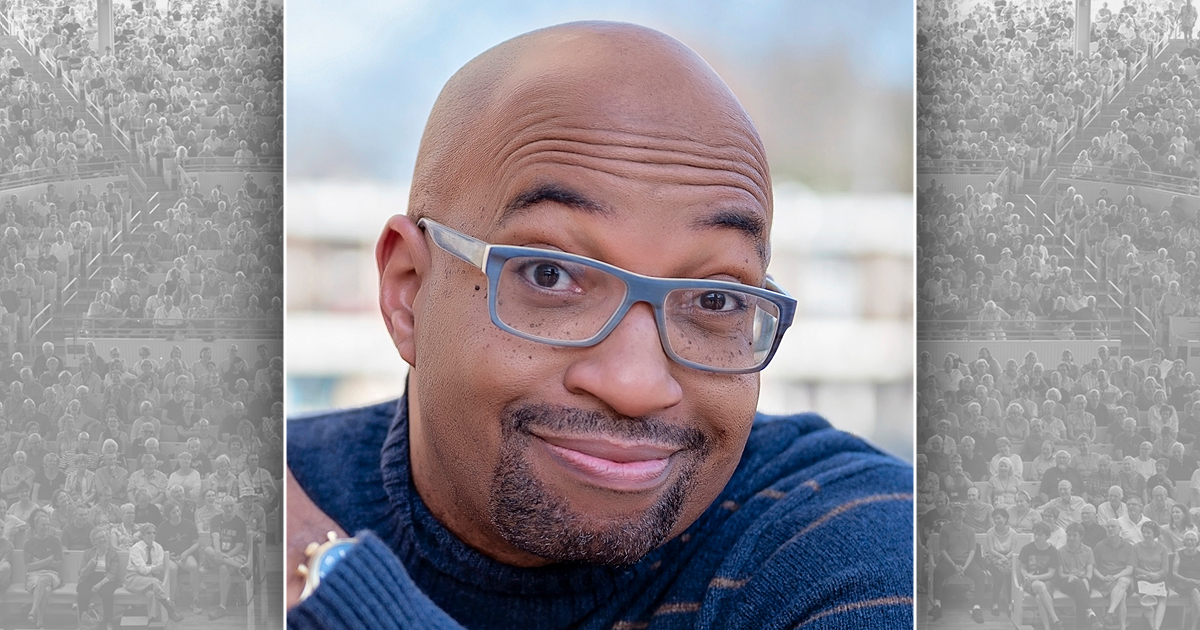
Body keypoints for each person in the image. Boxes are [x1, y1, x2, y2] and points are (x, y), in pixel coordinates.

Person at [285, 21, 912, 628]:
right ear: (408, 292)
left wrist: (317, 582)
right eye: (551, 274)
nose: (636, 386)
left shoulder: (856, 541)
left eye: (714, 299)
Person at [929, 503, 987, 622]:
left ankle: (977, 607)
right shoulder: (945, 529)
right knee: (938, 572)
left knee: (980, 574)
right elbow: (943, 550)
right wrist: (954, 565)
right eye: (955, 511)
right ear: (951, 513)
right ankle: (937, 605)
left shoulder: (970, 530)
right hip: (948, 561)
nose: (957, 514)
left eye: (960, 511)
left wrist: (964, 567)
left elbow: (972, 551)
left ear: (964, 513)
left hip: (966, 562)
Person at [124, 523, 183, 622]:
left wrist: (150, 568)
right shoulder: (136, 548)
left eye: (154, 533)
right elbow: (143, 570)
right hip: (133, 579)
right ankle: (170, 610)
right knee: (155, 582)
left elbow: (159, 568)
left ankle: (152, 620)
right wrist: (152, 568)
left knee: (151, 593)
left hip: (149, 579)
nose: (152, 535)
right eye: (149, 533)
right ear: (142, 534)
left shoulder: (158, 547)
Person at [1019, 521, 1063, 630]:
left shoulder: (1053, 551)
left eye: (1040, 534)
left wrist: (1034, 578)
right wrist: (1026, 576)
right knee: (1039, 585)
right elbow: (1022, 568)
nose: (1036, 537)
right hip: (1030, 582)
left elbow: (1050, 574)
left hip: (1047, 581)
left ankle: (1047, 628)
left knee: (1039, 597)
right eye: (1035, 534)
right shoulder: (1026, 548)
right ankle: (1055, 618)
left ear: (1047, 536)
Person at [1093, 519, 1135, 630]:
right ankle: (1122, 627)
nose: (1110, 529)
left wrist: (1115, 577)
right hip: (1106, 581)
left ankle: (1110, 612)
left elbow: (1129, 569)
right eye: (1108, 527)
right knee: (1122, 595)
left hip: (1124, 578)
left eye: (1113, 526)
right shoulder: (1099, 546)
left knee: (1123, 580)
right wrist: (1102, 577)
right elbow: (1093, 567)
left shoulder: (1128, 547)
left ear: (1120, 529)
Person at [1057, 522, 1098, 630]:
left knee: (1079, 592)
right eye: (1069, 535)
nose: (1071, 538)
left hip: (1083, 581)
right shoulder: (1060, 551)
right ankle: (1090, 614)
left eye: (1074, 535)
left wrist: (1085, 579)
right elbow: (1060, 574)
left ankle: (1086, 621)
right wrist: (1069, 576)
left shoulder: (1088, 550)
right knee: (1079, 586)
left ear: (1081, 536)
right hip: (1067, 582)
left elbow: (1089, 573)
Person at [77, 526, 119, 630]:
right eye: (98, 538)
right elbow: (81, 573)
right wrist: (89, 566)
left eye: (104, 536)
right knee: (83, 592)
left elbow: (113, 573)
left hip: (106, 579)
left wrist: (98, 585)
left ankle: (108, 621)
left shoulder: (113, 554)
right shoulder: (88, 553)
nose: (102, 539)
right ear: (93, 541)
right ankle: (85, 622)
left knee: (106, 593)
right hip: (90, 577)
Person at [24, 511, 60, 628]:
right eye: (43, 524)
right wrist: (48, 560)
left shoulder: (55, 541)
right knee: (47, 589)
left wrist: (37, 561)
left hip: (52, 574)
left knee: (43, 579)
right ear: (36, 525)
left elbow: (58, 563)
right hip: (33, 575)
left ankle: (32, 612)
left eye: (48, 524)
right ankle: (40, 622)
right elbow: (29, 566)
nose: (46, 527)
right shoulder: (28, 543)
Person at [1133, 521, 1170, 630]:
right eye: (1144, 532)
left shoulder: (1162, 548)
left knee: (1162, 599)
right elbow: (1135, 568)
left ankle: (1156, 628)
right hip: (1142, 578)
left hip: (1159, 578)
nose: (1145, 535)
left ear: (1154, 534)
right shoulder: (1136, 547)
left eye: (1148, 533)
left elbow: (1165, 569)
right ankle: (1154, 628)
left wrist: (1156, 575)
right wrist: (1149, 574)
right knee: (1146, 601)